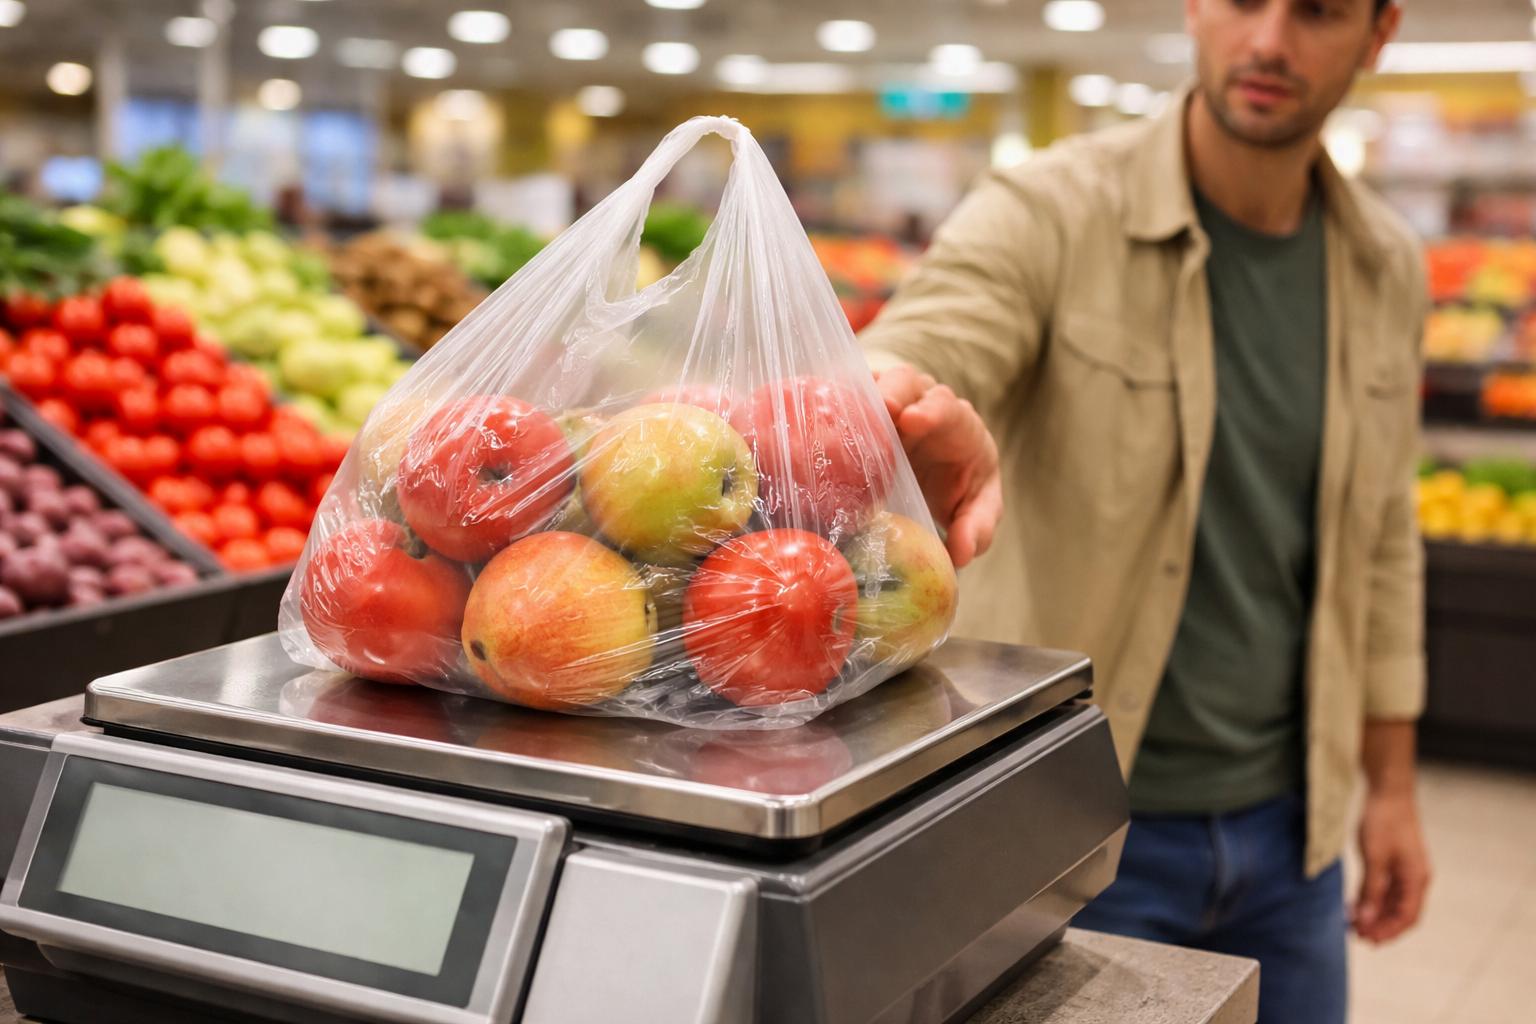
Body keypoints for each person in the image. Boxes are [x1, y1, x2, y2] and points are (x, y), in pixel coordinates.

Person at [860, 2, 1430, 1021]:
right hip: (1076, 827)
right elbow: (938, 332)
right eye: (1244, 1)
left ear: (1379, 33)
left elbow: (1383, 541)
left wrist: (1389, 786)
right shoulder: (1049, 209)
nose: (1268, 42)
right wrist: (889, 399)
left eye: (1318, 12)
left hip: (1292, 838)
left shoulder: (1383, 268)